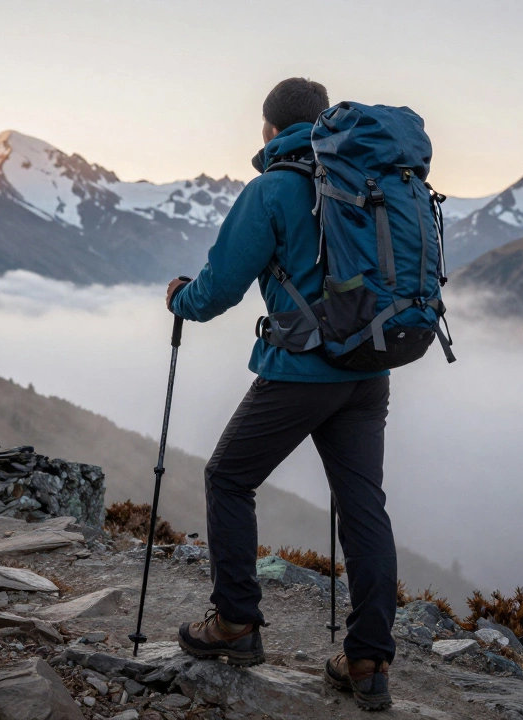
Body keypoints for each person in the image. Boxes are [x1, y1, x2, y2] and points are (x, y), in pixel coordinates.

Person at [166, 77, 397, 711]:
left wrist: (178, 298)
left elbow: (216, 291)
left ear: (270, 130)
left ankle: (235, 624)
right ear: (322, 122)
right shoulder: (366, 179)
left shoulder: (271, 188)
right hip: (368, 371)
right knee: (363, 508)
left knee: (228, 478)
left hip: (300, 373)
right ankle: (368, 662)